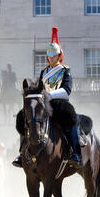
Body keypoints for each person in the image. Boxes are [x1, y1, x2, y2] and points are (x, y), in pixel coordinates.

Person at [12, 27, 81, 167]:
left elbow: (67, 90)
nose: (50, 58)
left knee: (71, 117)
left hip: (59, 103)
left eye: (53, 56)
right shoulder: (44, 72)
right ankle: (22, 152)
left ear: (59, 56)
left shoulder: (65, 70)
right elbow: (39, 88)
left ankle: (76, 153)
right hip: (44, 103)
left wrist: (50, 94)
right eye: (49, 56)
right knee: (24, 116)